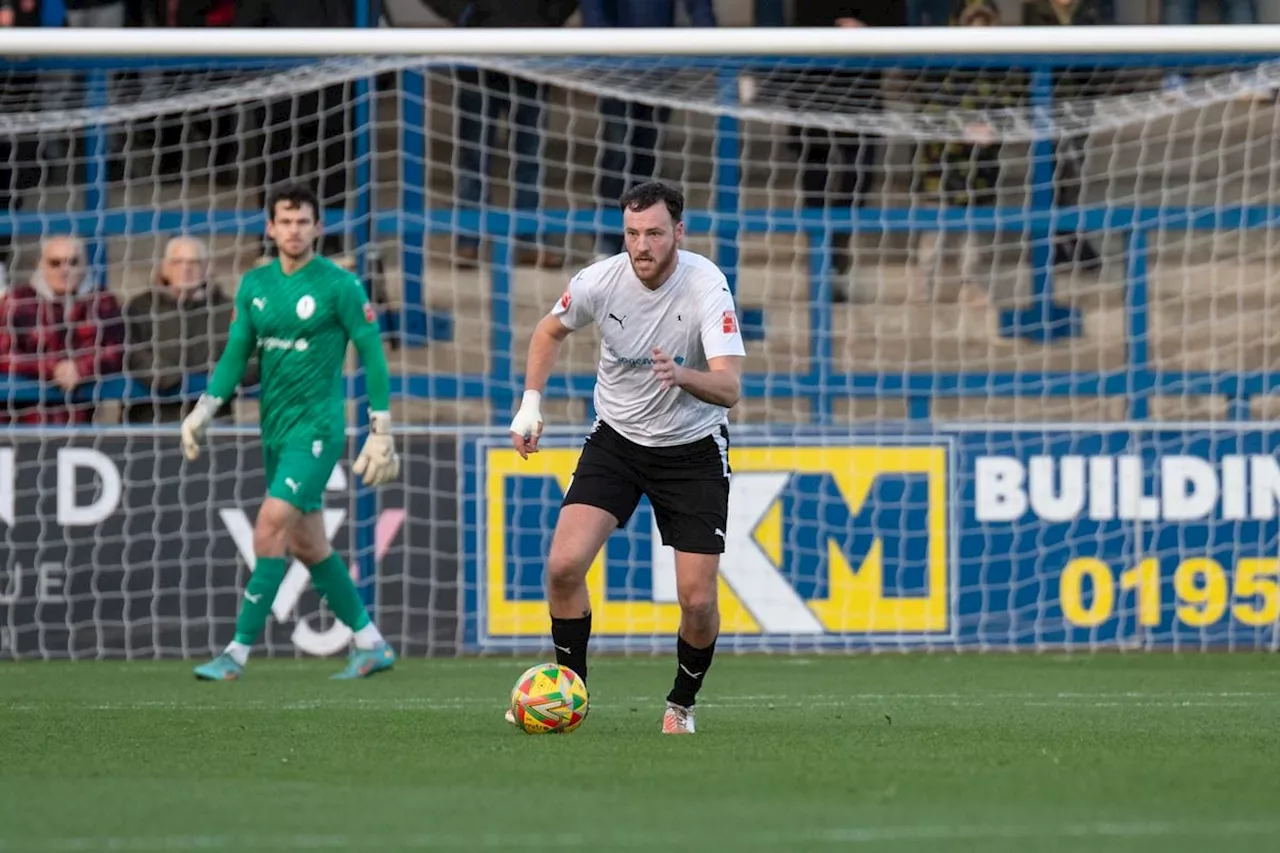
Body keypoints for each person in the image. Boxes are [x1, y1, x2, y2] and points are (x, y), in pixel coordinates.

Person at [507, 181, 746, 734]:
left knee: (695, 599)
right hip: (616, 440)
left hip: (692, 449)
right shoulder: (599, 280)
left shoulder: (707, 286)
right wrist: (530, 407)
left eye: (655, 233)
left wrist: (682, 375)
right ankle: (570, 693)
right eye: (633, 234)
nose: (642, 246)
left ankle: (682, 704)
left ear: (678, 234)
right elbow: (549, 331)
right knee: (563, 567)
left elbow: (730, 388)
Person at [182, 184, 401, 681]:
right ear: (270, 228)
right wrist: (203, 411)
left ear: (317, 228)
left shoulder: (339, 285)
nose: (294, 230)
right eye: (285, 221)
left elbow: (371, 351)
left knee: (269, 525)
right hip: (275, 431)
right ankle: (370, 644)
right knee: (309, 544)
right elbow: (237, 354)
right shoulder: (254, 284)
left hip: (318, 428)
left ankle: (235, 653)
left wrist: (380, 427)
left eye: (303, 221)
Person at [123, 236, 256, 423]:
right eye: (177, 262)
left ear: (206, 268)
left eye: (194, 262)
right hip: (151, 420)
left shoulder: (228, 310)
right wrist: (165, 375)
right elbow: (130, 352)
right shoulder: (140, 307)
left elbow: (251, 359)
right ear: (164, 268)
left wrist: (221, 377)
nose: (186, 268)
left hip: (213, 423)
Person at [0, 236, 124, 425]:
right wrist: (53, 369)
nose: (64, 270)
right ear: (40, 265)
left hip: (79, 423)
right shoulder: (17, 301)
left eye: (72, 262)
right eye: (55, 263)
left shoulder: (101, 301)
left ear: (84, 265)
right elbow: (5, 354)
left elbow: (116, 352)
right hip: (22, 423)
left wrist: (81, 369)